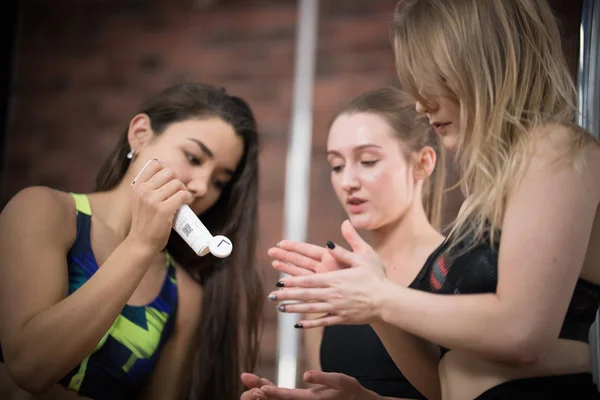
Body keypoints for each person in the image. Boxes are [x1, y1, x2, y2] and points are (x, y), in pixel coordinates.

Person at [266, 0, 600, 399]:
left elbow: (522, 332)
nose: (422, 106)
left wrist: (381, 297)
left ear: (479, 64)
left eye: (431, 82)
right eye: (336, 165)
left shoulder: (555, 146)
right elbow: (441, 384)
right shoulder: (481, 200)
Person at [0, 82, 263, 400]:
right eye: (193, 158)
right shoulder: (45, 212)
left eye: (220, 181)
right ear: (140, 134)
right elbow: (30, 368)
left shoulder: (184, 295)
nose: (202, 187)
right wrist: (140, 244)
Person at [241, 87, 446, 400]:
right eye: (337, 166)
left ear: (422, 163)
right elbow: (323, 388)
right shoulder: (328, 282)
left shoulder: (460, 266)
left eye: (367, 161)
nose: (348, 181)